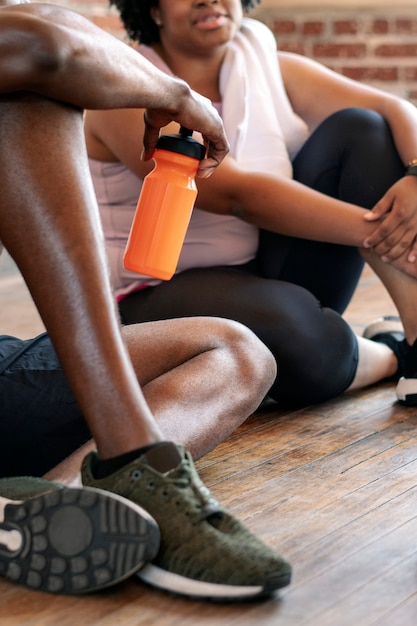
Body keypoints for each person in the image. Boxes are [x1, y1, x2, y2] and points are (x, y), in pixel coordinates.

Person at [0, 1, 292, 599]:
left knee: (241, 350)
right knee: (29, 84)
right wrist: (178, 96)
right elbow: (40, 43)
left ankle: (52, 507)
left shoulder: (256, 53)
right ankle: (131, 457)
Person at [85, 0, 417, 411]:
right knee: (310, 343)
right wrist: (391, 232)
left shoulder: (263, 64)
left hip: (263, 265)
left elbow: (393, 107)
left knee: (363, 129)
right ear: (151, 8)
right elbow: (236, 195)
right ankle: (390, 354)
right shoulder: (126, 87)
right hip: (156, 290)